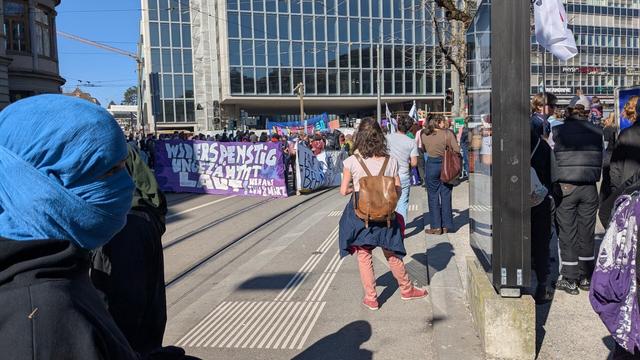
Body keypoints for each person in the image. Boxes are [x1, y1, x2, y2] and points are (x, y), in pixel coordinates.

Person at [0, 95, 139, 359]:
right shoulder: (45, 317)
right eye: (110, 172)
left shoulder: (55, 266)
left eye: (125, 168)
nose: (127, 185)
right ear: (39, 184)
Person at [338, 118, 427, 311]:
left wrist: (360, 184)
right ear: (380, 138)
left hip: (361, 215)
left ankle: (371, 298)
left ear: (359, 137)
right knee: (392, 252)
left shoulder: (352, 161)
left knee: (364, 254)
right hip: (386, 215)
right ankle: (406, 289)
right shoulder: (390, 160)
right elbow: (398, 189)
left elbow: (343, 191)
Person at [91, 144, 168, 356]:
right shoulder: (139, 221)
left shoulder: (121, 229)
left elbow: (120, 310)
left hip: (126, 346)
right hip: (143, 342)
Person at [552, 104, 603, 295]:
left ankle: (569, 277)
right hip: (589, 186)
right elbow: (602, 157)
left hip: (567, 186)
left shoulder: (557, 131)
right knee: (587, 232)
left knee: (567, 233)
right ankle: (586, 276)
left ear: (567, 114)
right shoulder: (597, 131)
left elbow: (553, 156)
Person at [421, 115, 461, 234]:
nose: (445, 124)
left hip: (431, 164)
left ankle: (436, 226)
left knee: (432, 196)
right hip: (446, 165)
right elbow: (457, 150)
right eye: (443, 122)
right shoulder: (447, 134)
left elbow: (423, 150)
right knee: (446, 194)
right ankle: (447, 225)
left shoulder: (424, 134)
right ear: (438, 122)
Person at [530, 129, 554, 304]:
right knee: (541, 241)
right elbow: (553, 174)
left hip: (513, 200)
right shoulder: (543, 146)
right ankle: (541, 285)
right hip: (539, 199)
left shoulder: (509, 143)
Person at [386, 115, 419, 222]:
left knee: (388, 202)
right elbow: (414, 163)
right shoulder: (411, 142)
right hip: (403, 175)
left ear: (397, 125)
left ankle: (388, 226)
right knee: (402, 204)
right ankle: (401, 229)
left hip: (388, 175)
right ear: (409, 128)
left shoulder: (387, 138)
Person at [609, 97, 640, 196]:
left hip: (629, 190)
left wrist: (616, 191)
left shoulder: (626, 134)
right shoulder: (626, 134)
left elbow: (615, 166)